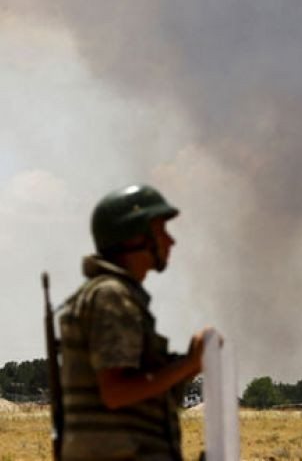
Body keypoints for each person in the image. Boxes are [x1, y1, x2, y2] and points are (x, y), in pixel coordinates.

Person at [59, 184, 210, 460]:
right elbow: (116, 392)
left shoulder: (113, 295)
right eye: (160, 231)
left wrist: (186, 368)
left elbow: (146, 395)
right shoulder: (111, 296)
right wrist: (188, 365)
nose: (170, 241)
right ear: (135, 238)